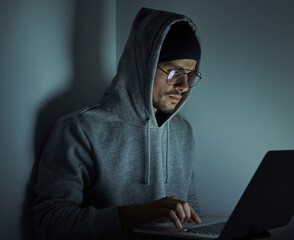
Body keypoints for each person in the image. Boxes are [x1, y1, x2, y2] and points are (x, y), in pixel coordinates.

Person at [32, 7, 202, 240]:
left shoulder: (183, 131)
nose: (183, 86)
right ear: (145, 64)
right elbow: (48, 223)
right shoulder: (80, 128)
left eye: (191, 75)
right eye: (174, 72)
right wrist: (132, 214)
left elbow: (191, 211)